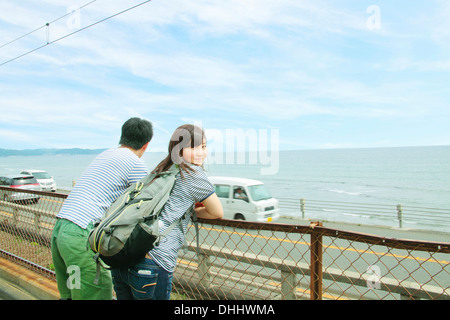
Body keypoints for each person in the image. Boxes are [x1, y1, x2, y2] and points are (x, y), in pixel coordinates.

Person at [111, 124, 223, 300]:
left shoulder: (162, 167)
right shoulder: (194, 174)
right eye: (192, 147)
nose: (200, 152)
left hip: (125, 255)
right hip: (154, 260)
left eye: (203, 146)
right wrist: (194, 211)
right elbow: (217, 212)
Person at [50, 117, 153, 300]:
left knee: (72, 294)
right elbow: (148, 201)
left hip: (61, 229)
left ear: (122, 137)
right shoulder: (135, 163)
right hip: (82, 233)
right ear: (146, 145)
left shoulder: (106, 154)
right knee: (96, 292)